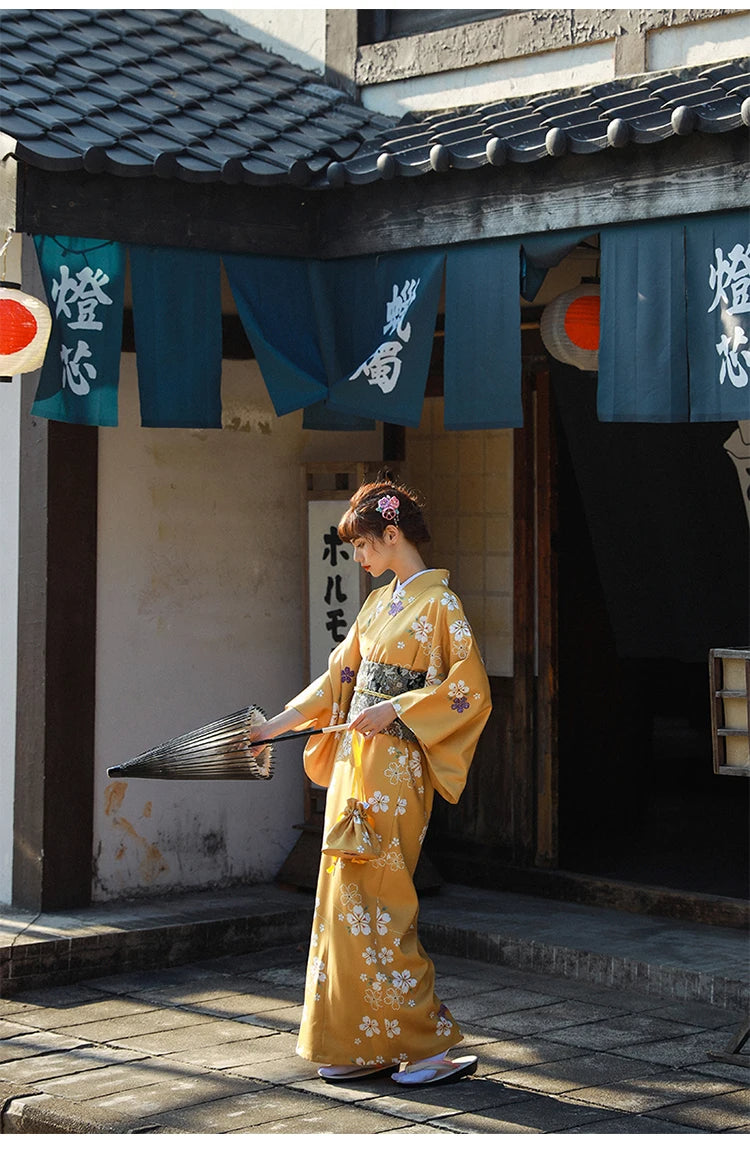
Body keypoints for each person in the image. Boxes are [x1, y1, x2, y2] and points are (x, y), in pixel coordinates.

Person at [251, 477, 492, 1087]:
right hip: (357, 770)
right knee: (342, 907)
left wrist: (397, 708)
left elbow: (468, 691)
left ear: (392, 535)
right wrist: (271, 727)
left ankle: (429, 1046)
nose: (358, 558)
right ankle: (367, 1043)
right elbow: (338, 684)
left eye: (363, 545)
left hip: (396, 773)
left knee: (382, 906)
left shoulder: (442, 606)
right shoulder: (377, 604)